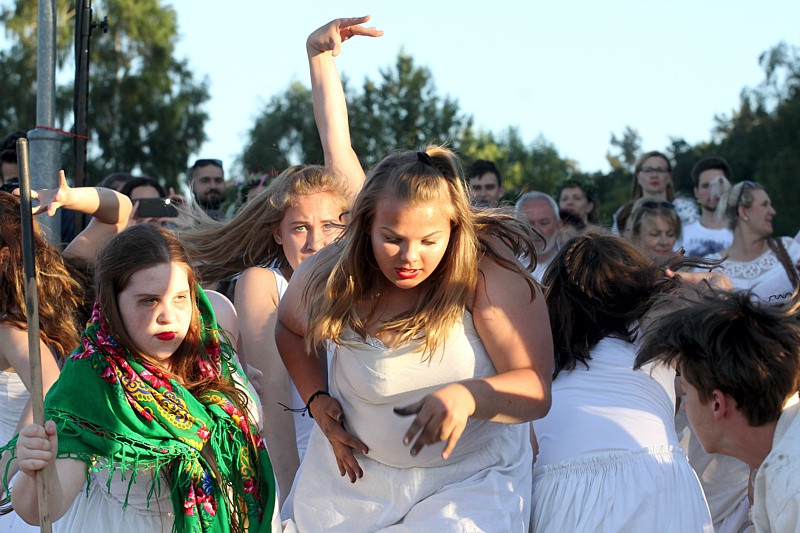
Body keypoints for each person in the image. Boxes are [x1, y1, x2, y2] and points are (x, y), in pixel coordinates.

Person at [276, 16, 553, 532]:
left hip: (469, 483)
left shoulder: (485, 274)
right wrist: (317, 401)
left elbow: (536, 389)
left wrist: (469, 395)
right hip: (353, 484)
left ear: (453, 229)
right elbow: (290, 328)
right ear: (365, 226)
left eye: (429, 241)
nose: (410, 256)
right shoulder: (333, 273)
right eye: (392, 239)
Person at [2, 224, 279, 532]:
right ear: (112, 304)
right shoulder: (89, 384)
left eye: (180, 297)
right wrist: (36, 468)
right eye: (149, 300)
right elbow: (43, 509)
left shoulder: (213, 346)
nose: (168, 316)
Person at [181, 165, 352, 505]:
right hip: (301, 468)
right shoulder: (263, 282)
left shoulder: (364, 286)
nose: (314, 242)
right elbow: (272, 402)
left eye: (329, 225)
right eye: (299, 228)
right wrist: (290, 500)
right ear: (277, 233)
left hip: (370, 466)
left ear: (347, 228)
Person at [532, 231, 713, 532]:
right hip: (657, 478)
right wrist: (700, 283)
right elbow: (726, 301)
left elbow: (532, 446)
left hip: (564, 491)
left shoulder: (542, 352)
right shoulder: (652, 332)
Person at [637, 288, 800, 533]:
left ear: (717, 404)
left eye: (686, 392)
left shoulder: (790, 487)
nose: (682, 406)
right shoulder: (778, 461)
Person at [711, 180, 799, 304]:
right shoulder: (712, 268)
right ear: (743, 211)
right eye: (765, 205)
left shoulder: (788, 249)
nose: (773, 211)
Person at [612, 150, 675, 234]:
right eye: (648, 170)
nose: (654, 175)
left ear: (669, 176)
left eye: (660, 170)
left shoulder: (685, 209)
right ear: (638, 176)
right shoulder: (624, 213)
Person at [682, 157, 734, 257]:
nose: (713, 192)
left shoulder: (743, 233)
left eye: (719, 184)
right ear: (696, 191)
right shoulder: (680, 235)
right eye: (706, 186)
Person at [515, 191, 562, 281]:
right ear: (517, 226)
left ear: (558, 225)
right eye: (529, 224)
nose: (536, 230)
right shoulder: (508, 265)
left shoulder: (571, 265)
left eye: (544, 223)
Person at [629, 196, 682, 266]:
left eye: (670, 235)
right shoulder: (623, 271)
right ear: (636, 235)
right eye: (655, 234)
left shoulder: (687, 270)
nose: (664, 242)